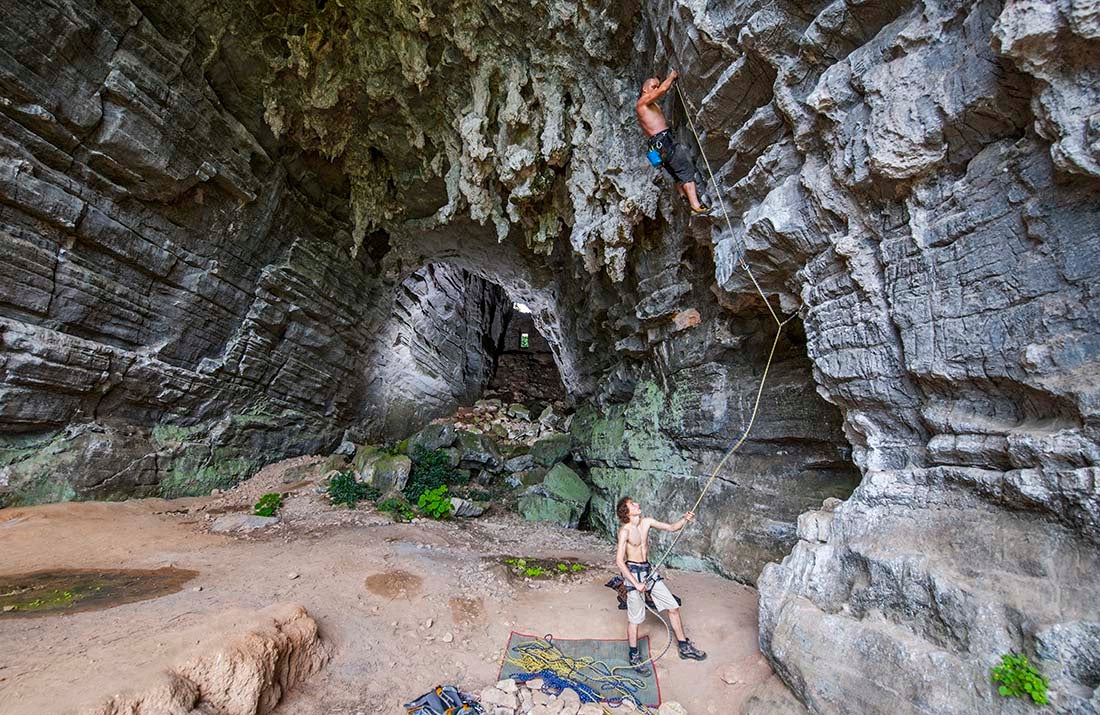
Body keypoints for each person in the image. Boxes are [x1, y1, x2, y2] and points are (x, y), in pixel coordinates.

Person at [614, 495, 707, 674]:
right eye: (633, 504)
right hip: (633, 573)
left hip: (648, 571)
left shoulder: (646, 522)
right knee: (635, 619)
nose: (637, 504)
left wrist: (684, 520)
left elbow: (672, 528)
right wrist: (635, 583)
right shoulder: (624, 531)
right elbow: (619, 561)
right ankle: (634, 655)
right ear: (627, 512)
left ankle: (684, 646)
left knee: (673, 606)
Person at [635, 71, 713, 216]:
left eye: (656, 86)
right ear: (645, 89)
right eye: (653, 86)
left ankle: (684, 196)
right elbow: (663, 90)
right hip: (665, 142)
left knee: (677, 174)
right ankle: (695, 206)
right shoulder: (643, 102)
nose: (656, 88)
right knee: (685, 170)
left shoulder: (647, 106)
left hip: (658, 147)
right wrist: (671, 76)